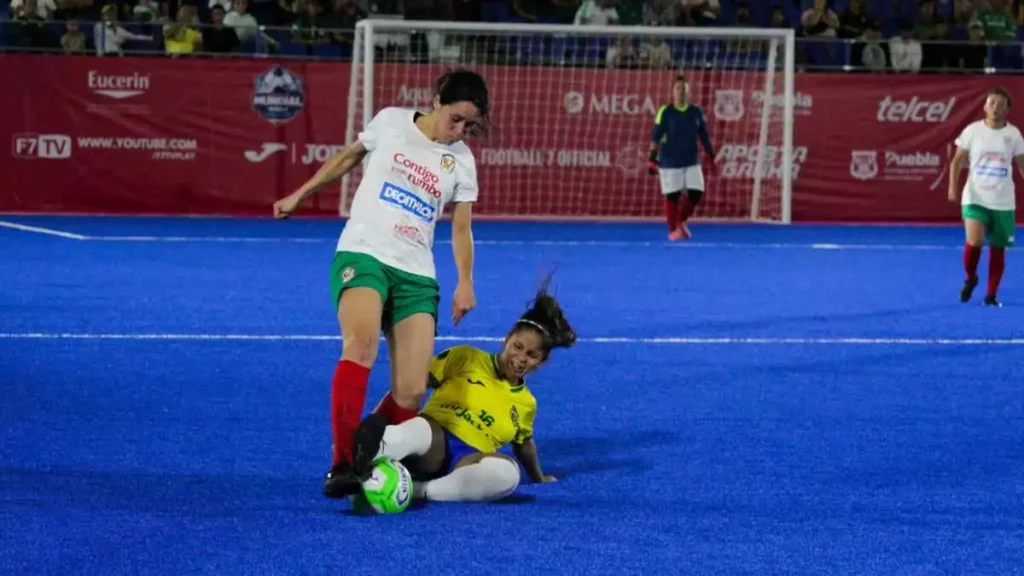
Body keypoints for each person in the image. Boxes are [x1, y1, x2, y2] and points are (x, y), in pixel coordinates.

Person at [272, 69, 490, 498]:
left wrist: (465, 282)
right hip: (365, 251)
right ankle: (342, 463)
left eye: (469, 125)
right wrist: (300, 193)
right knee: (361, 344)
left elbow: (461, 229)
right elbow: (350, 156)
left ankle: (367, 443)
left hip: (416, 274)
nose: (460, 130)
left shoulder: (462, 161)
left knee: (410, 393)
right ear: (437, 99)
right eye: (457, 119)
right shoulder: (390, 120)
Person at [351, 281, 577, 502]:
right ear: (507, 339)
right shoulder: (466, 357)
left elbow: (524, 445)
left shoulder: (526, 404)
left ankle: (418, 491)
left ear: (541, 361)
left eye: (532, 355)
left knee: (508, 474)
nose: (520, 359)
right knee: (417, 430)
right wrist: (377, 419)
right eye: (517, 346)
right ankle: (361, 455)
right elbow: (409, 387)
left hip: (467, 460)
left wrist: (539, 478)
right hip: (432, 439)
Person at [948, 86, 1024, 307]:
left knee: (998, 248)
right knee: (975, 241)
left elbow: (1021, 164)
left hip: (1003, 200)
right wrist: (952, 187)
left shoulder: (1014, 135)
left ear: (1008, 110)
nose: (996, 108)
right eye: (992, 103)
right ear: (984, 107)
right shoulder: (972, 131)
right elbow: (957, 161)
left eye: (1001, 105)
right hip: (975, 195)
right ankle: (971, 278)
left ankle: (991, 295)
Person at [648, 75, 716, 241]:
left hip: (691, 160)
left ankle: (681, 220)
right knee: (672, 196)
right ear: (673, 92)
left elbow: (704, 136)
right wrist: (652, 158)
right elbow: (656, 137)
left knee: (696, 192)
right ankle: (672, 230)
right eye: (678, 89)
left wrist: (711, 154)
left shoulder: (696, 112)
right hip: (669, 161)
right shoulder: (665, 112)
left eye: (684, 89)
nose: (681, 92)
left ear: (689, 92)